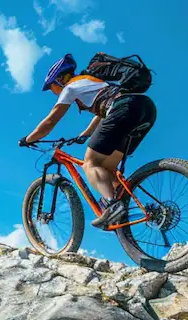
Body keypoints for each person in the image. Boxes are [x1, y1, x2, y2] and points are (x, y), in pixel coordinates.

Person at [20, 53, 157, 228]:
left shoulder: (70, 88)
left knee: (90, 163)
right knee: (107, 168)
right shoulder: (94, 82)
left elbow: (50, 121)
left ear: (60, 80)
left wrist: (28, 139)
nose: (54, 92)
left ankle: (112, 206)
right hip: (144, 108)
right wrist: (85, 134)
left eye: (52, 87)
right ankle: (136, 212)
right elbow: (105, 112)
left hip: (124, 109)